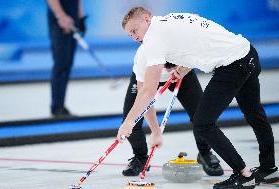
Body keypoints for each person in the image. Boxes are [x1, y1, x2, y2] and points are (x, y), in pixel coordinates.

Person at [117, 7, 279, 189]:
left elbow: (147, 90)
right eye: (130, 35)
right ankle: (269, 169)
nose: (134, 37)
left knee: (203, 124)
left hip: (232, 66)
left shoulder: (153, 38)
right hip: (247, 53)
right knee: (254, 114)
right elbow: (198, 37)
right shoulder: (172, 19)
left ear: (146, 19)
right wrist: (185, 66)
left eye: (134, 30)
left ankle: (243, 174)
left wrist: (129, 122)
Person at [122, 45, 224, 177]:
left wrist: (185, 68)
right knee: (131, 119)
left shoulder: (183, 40)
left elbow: (199, 55)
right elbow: (144, 102)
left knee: (201, 116)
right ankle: (140, 158)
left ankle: (205, 153)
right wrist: (156, 131)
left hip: (182, 73)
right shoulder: (144, 55)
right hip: (150, 74)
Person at [47, 0, 86, 118]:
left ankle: (61, 105)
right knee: (61, 64)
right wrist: (61, 16)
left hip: (73, 18)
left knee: (67, 63)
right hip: (60, 21)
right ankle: (57, 107)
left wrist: (81, 17)